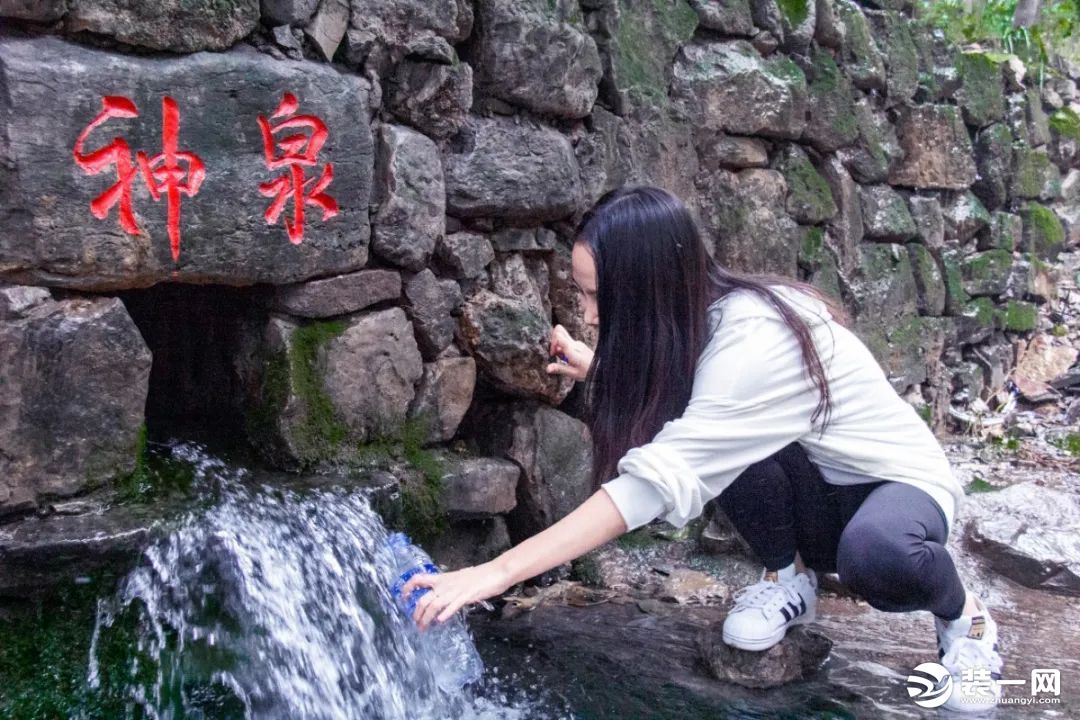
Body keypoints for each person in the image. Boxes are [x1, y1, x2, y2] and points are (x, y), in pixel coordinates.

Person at [399, 185, 1003, 713]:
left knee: (878, 555)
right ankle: (791, 578)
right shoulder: (705, 322)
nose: (585, 312)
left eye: (594, 296)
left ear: (644, 290)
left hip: (897, 494)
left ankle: (963, 617)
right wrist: (596, 369)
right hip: (820, 496)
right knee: (711, 434)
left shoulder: (754, 340)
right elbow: (693, 392)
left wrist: (492, 573)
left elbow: (654, 481)